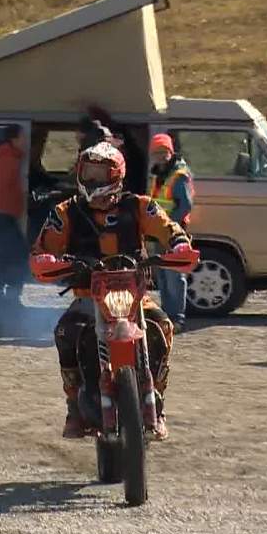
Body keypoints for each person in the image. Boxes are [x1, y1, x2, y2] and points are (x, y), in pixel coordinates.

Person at [30, 141, 196, 441]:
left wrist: (180, 245)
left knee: (162, 325)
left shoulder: (140, 205)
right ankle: (74, 407)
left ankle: (157, 403)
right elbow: (43, 248)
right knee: (65, 333)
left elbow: (168, 228)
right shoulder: (65, 212)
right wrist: (47, 261)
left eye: (99, 174)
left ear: (116, 176)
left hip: (134, 295)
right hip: (86, 295)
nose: (92, 180)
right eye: (88, 172)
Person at [147, 133, 195, 332]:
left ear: (170, 152)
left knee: (175, 278)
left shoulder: (178, 175)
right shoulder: (160, 174)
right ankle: (167, 318)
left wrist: (167, 226)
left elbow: (185, 206)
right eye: (156, 152)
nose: (159, 156)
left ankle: (177, 319)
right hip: (161, 234)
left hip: (174, 235)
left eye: (163, 152)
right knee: (165, 278)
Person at [0, 124, 29, 311]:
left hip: (0, 215)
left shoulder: (5, 156)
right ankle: (5, 300)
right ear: (14, 139)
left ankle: (5, 299)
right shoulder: (8, 158)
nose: (25, 141)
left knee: (6, 258)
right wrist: (8, 202)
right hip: (2, 215)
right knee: (14, 258)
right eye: (22, 137)